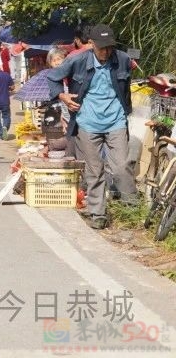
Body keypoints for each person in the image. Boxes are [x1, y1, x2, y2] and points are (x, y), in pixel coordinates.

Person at [42, 24, 139, 229]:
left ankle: (132, 208)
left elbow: (127, 87)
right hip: (87, 123)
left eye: (109, 47)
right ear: (92, 44)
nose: (106, 52)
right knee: (95, 170)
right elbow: (52, 77)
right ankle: (98, 213)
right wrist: (62, 96)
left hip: (116, 121)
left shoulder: (122, 59)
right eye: (102, 47)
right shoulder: (76, 60)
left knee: (122, 166)